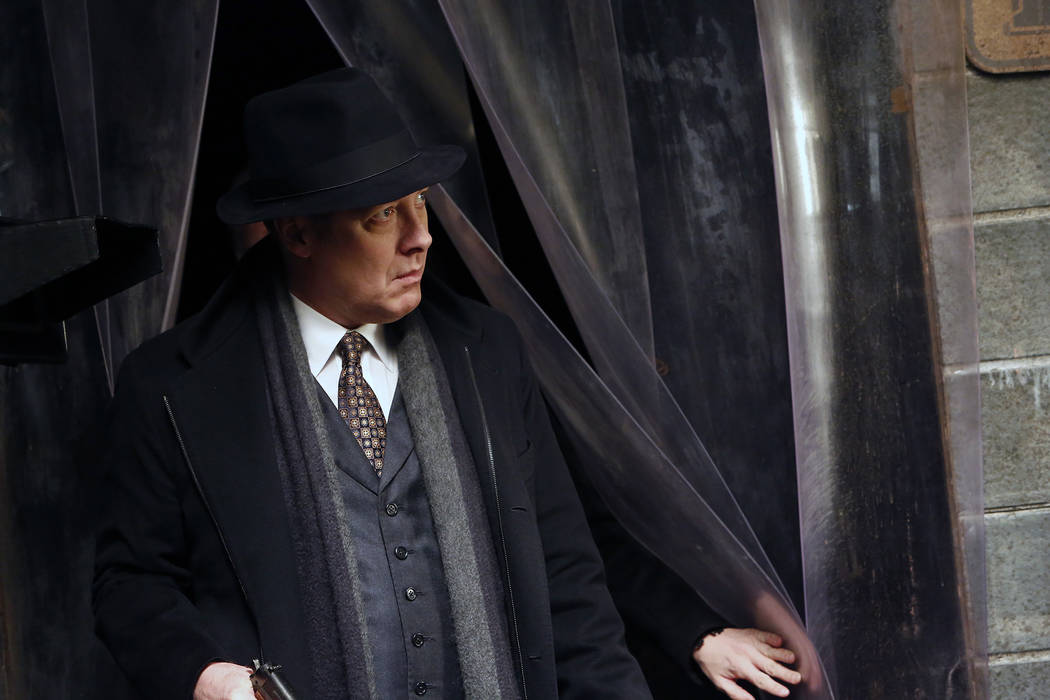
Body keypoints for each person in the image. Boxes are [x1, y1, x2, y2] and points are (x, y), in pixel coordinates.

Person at [92, 68, 651, 700]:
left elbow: (566, 572)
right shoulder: (170, 386)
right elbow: (131, 582)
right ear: (298, 233)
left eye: (420, 201)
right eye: (383, 214)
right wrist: (205, 676)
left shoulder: (488, 350)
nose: (422, 237)